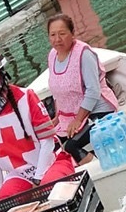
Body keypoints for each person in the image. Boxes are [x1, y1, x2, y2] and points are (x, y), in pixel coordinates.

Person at [0, 44, 76, 200]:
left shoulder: (26, 97)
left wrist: (39, 178)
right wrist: (0, 191)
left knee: (53, 189)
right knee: (5, 201)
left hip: (51, 162)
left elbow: (47, 142)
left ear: (2, 76)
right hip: (18, 174)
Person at [46, 14, 119, 161]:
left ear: (72, 34)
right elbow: (57, 89)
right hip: (73, 114)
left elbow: (93, 91)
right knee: (53, 146)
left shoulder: (84, 54)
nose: (57, 39)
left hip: (99, 110)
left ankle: (100, 169)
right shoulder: (52, 55)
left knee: (71, 146)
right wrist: (57, 117)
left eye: (62, 33)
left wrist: (78, 120)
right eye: (53, 35)